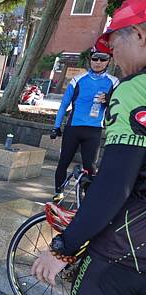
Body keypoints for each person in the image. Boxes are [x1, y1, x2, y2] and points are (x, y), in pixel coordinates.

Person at [29, 1, 146, 295]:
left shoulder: (134, 89)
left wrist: (63, 247)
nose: (111, 53)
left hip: (123, 251)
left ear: (141, 35)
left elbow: (116, 190)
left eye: (115, 41)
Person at [51, 48, 119, 201]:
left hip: (94, 131)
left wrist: (108, 100)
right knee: (63, 162)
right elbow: (63, 105)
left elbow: (118, 107)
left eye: (103, 59)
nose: (98, 62)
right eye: (95, 59)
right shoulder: (78, 80)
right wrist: (56, 126)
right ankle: (58, 192)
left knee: (90, 167)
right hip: (73, 128)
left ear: (109, 61)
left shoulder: (114, 82)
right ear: (90, 60)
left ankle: (88, 198)